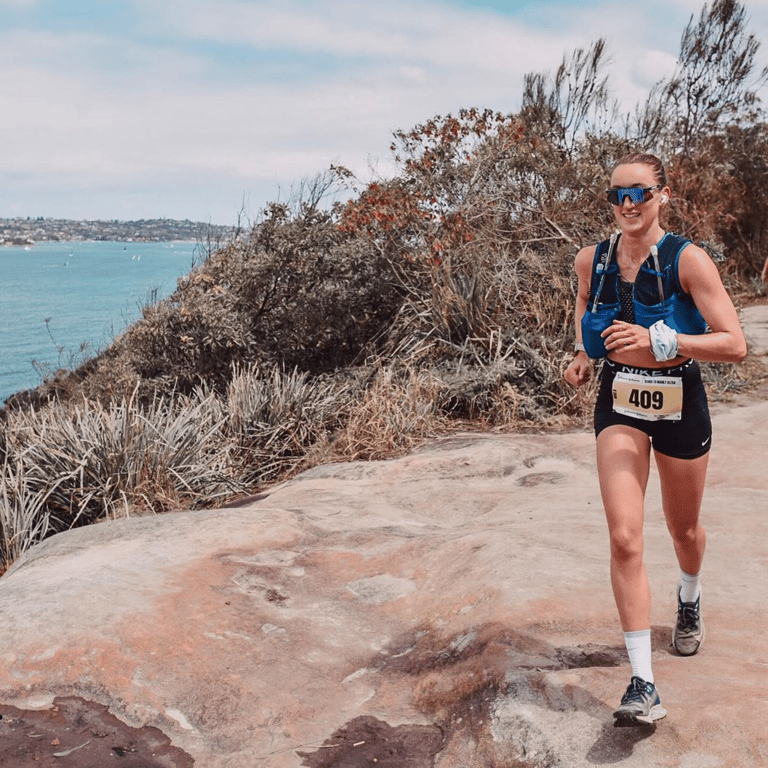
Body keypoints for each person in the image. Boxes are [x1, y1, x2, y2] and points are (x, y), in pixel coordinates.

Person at [564, 152, 747, 727]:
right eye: (618, 194)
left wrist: (662, 337)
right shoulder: (590, 260)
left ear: (663, 194)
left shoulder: (688, 261)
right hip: (620, 402)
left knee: (682, 529)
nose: (628, 204)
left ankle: (689, 595)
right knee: (624, 537)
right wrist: (582, 356)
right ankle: (643, 682)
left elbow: (735, 343)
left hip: (679, 401)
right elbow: (583, 308)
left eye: (640, 192)